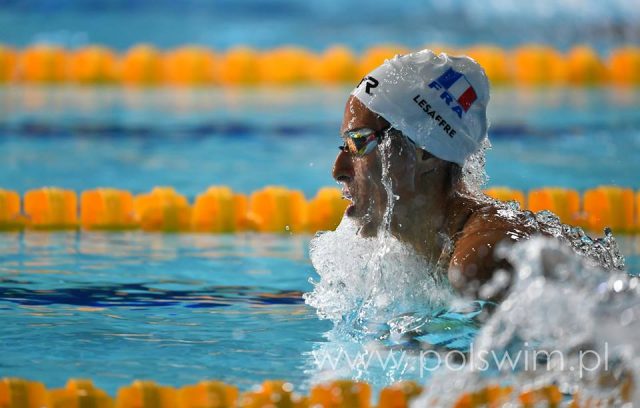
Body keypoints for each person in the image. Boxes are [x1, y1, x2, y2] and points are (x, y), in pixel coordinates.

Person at [332, 50, 540, 301]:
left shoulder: (478, 265)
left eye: (359, 142)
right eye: (345, 144)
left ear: (426, 151)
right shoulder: (420, 255)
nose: (338, 170)